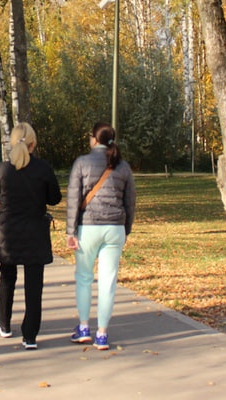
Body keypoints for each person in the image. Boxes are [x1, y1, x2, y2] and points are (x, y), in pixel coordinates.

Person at [0, 123, 62, 351]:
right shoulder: (43, 169)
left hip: (8, 231)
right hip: (35, 232)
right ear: (33, 143)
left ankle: (4, 322)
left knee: (7, 276)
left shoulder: (2, 170)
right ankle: (29, 335)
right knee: (34, 284)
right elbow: (54, 198)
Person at [65, 122, 136, 351]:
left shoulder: (82, 163)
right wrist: (126, 229)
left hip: (89, 227)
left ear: (94, 139)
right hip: (114, 228)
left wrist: (70, 230)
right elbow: (130, 201)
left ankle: (84, 327)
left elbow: (74, 199)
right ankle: (102, 333)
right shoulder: (123, 166)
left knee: (84, 278)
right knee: (108, 282)